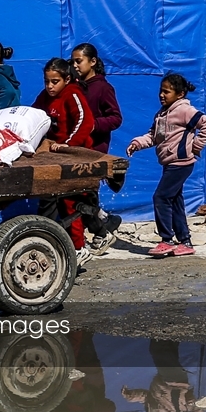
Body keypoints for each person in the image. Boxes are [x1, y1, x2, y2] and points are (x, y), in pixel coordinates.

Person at [127, 73, 206, 257]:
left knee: (161, 197)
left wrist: (195, 146)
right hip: (170, 163)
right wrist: (137, 143)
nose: (162, 95)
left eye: (166, 92)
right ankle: (185, 242)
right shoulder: (161, 114)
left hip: (181, 162)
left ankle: (166, 239)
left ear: (180, 94)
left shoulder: (184, 111)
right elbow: (153, 136)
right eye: (161, 91)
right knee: (174, 201)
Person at [32, 58, 95, 266]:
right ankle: (50, 246)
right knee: (48, 200)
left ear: (67, 79)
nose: (50, 86)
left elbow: (85, 122)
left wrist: (67, 144)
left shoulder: (73, 94)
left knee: (70, 203)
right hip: (54, 159)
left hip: (74, 158)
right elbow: (33, 117)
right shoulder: (44, 97)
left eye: (55, 81)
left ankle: (79, 248)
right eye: (47, 81)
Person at [71, 43, 123, 254]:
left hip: (94, 148)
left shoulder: (102, 88)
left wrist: (93, 125)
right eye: (72, 61)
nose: (74, 65)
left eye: (78, 61)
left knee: (85, 192)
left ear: (92, 62)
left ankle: (102, 231)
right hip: (75, 148)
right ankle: (104, 221)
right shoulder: (74, 86)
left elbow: (116, 118)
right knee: (79, 192)